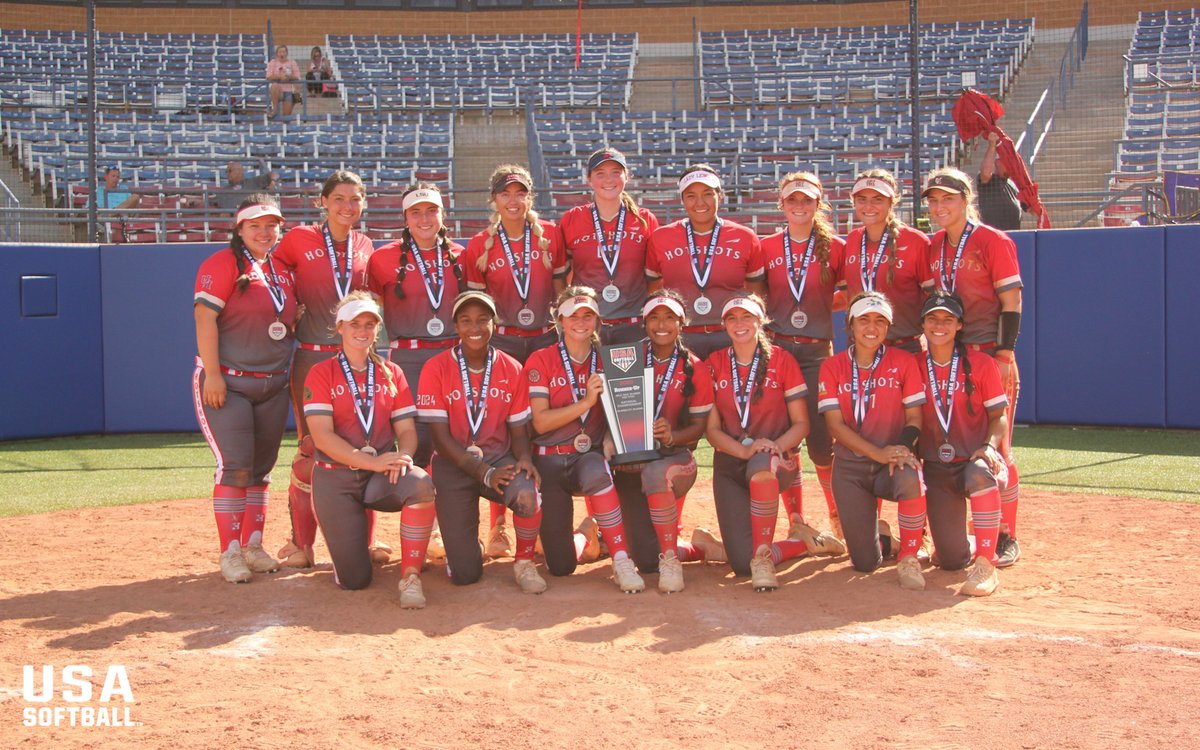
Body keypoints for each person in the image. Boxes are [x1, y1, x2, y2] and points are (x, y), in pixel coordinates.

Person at [272, 170, 380, 569]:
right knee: (309, 451)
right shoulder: (298, 239)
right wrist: (287, 307)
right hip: (313, 356)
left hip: (357, 359)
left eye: (355, 199)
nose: (347, 207)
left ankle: (364, 543)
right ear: (323, 202)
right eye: (339, 199)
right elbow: (273, 276)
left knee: (362, 444)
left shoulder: (366, 244)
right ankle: (302, 544)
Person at [303, 292, 436, 608]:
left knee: (418, 481)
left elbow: (406, 430)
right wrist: (370, 462)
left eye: (370, 324)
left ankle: (411, 575)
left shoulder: (392, 372)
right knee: (355, 581)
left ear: (378, 329)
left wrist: (403, 454)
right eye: (355, 324)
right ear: (340, 328)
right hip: (337, 478)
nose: (363, 331)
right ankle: (350, 542)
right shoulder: (321, 373)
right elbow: (322, 437)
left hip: (379, 474)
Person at [921, 168, 1024, 567]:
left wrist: (1004, 354)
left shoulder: (992, 241)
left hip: (987, 352)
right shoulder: (933, 246)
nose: (939, 206)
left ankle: (1005, 534)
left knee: (998, 446)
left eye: (948, 198)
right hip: (946, 359)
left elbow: (1011, 303)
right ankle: (951, 529)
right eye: (933, 200)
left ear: (966, 200)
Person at [192, 195, 295, 583]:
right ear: (239, 229)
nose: (264, 232)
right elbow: (204, 319)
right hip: (230, 382)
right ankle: (230, 552)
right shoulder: (220, 264)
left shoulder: (283, 269)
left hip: (273, 382)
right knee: (235, 467)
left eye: (271, 225)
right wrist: (213, 374)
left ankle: (253, 545)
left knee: (261, 470)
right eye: (255, 225)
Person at [416, 291, 548, 594]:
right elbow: (440, 437)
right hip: (453, 464)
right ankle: (463, 539)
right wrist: (482, 472)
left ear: (495, 324)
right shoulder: (436, 367)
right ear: (456, 326)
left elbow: (518, 431)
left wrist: (524, 458)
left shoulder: (512, 368)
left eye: (482, 320)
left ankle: (524, 562)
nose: (474, 327)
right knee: (464, 574)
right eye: (466, 321)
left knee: (527, 493)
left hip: (499, 459)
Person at [524, 286, 645, 593]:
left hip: (586, 456)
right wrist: (585, 404)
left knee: (598, 470)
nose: (580, 321)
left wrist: (609, 436)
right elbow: (539, 421)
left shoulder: (613, 360)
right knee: (561, 567)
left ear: (597, 320)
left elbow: (626, 416)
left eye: (587, 315)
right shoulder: (541, 359)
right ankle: (585, 537)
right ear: (560, 321)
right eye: (572, 315)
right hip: (549, 457)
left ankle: (620, 559)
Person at [817, 291, 929, 590]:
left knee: (911, 477)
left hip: (890, 464)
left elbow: (915, 419)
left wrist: (901, 448)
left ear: (888, 327)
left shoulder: (904, 362)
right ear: (850, 324)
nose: (871, 327)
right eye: (864, 319)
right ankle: (883, 538)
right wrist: (877, 453)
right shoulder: (832, 366)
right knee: (865, 564)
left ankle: (909, 556)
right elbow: (835, 426)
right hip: (851, 469)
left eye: (880, 321)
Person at [760, 171, 847, 552]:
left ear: (818, 203)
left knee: (821, 443)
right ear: (781, 204)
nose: (799, 206)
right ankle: (796, 519)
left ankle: (836, 514)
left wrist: (819, 311)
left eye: (807, 200)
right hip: (777, 351)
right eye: (792, 200)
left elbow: (850, 293)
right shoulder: (765, 246)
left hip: (814, 352)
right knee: (785, 440)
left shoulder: (836, 247)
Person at [611, 291, 720, 593]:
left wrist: (672, 435)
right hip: (633, 462)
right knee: (645, 560)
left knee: (656, 473)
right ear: (644, 323)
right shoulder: (626, 359)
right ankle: (699, 548)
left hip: (674, 460)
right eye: (654, 318)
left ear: (681, 323)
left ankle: (671, 559)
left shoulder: (695, 367)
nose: (661, 324)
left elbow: (698, 428)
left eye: (669, 317)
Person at [704, 294, 812, 592]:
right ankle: (798, 543)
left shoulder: (782, 359)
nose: (740, 324)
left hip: (774, 459)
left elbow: (802, 424)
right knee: (740, 565)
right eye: (732, 318)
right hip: (732, 460)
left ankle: (764, 557)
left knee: (762, 465)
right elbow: (712, 430)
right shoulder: (714, 363)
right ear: (723, 324)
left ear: (761, 321)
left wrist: (773, 447)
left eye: (747, 317)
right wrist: (744, 450)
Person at [917, 291, 1008, 596]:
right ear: (923, 324)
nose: (939, 325)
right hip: (936, 468)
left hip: (972, 460)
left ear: (959, 326)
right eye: (932, 318)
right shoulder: (912, 366)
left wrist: (990, 447)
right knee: (951, 561)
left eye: (948, 319)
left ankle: (987, 563)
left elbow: (999, 417)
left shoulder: (981, 364)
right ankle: (969, 539)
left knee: (981, 472)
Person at [646, 164, 766, 360]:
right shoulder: (660, 238)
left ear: (720, 196)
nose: (700, 202)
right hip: (681, 337)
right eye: (691, 195)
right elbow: (653, 289)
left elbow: (756, 293)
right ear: (682, 199)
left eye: (708, 194)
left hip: (730, 336)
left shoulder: (745, 237)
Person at [464, 165, 567, 364]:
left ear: (529, 198)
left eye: (520, 194)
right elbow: (477, 303)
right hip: (502, 340)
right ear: (494, 199)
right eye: (505, 194)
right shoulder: (480, 244)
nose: (513, 201)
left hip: (546, 337)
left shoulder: (551, 234)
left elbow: (561, 286)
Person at [557, 147, 660, 345]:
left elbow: (654, 277)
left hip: (633, 325)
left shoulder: (644, 219)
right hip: (587, 325)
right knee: (587, 377)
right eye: (600, 174)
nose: (608, 180)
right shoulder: (572, 219)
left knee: (627, 378)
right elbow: (562, 275)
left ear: (627, 177)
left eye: (616, 173)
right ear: (589, 179)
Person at [840, 169, 931, 354]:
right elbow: (846, 295)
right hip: (860, 348)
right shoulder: (851, 241)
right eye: (862, 199)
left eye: (877, 199)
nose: (869, 206)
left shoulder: (916, 241)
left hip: (905, 348)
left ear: (893, 201)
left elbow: (932, 298)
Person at [976, 132, 1022, 231]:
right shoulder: (990, 182)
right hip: (992, 236)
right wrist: (992, 145)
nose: (1012, 165)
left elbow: (1028, 207)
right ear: (998, 162)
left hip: (1013, 236)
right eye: (1008, 162)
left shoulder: (1013, 185)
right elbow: (985, 173)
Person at [266, 44, 301, 118]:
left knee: (286, 117)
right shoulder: (273, 62)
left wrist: (288, 77)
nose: (282, 54)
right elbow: (268, 76)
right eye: (280, 52)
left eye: (284, 52)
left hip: (288, 90)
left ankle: (285, 126)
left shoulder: (292, 62)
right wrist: (279, 77)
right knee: (274, 85)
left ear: (287, 53)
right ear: (277, 54)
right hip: (277, 91)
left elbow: (297, 77)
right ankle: (274, 109)